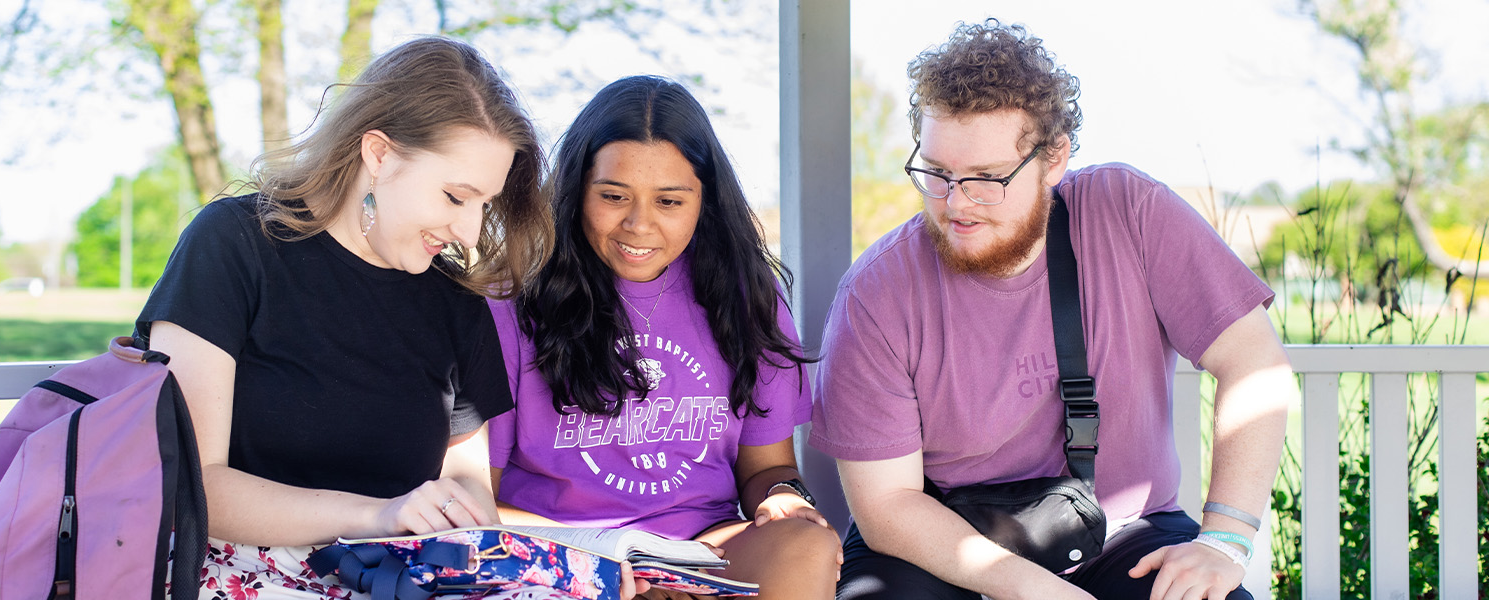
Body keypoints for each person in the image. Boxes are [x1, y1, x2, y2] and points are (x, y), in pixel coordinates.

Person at [812, 20, 1295, 600]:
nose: (955, 205)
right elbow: (888, 505)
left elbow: (1254, 363)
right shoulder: (875, 292)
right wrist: (1036, 591)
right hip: (932, 540)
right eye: (936, 174)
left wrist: (1226, 540)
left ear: (1055, 158)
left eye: (987, 179)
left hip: (1124, 533)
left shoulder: (1131, 213)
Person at [136, 37, 553, 599]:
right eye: (455, 196)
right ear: (378, 154)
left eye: (485, 204)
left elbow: (465, 482)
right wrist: (380, 515)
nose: (470, 232)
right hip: (240, 571)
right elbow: (196, 484)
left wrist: (468, 519)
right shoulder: (235, 245)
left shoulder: (455, 302)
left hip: (398, 578)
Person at [486, 75, 842, 600]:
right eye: (612, 196)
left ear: (705, 201)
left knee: (805, 546)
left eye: (670, 202)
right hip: (563, 556)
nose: (639, 224)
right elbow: (476, 500)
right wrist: (613, 559)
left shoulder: (745, 295)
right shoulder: (511, 300)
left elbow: (767, 469)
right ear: (576, 189)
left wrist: (784, 496)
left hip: (701, 553)